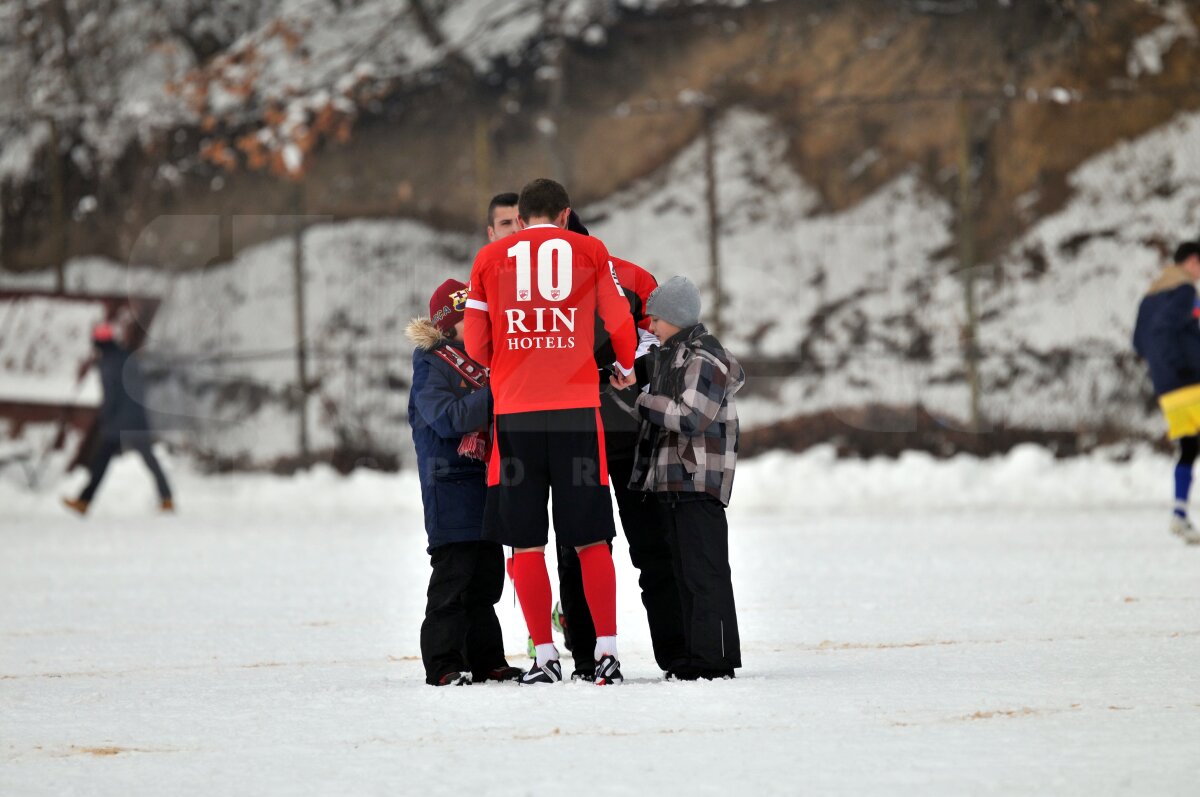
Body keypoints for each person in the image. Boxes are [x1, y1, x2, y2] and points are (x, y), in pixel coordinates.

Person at [464, 177, 637, 685]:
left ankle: (544, 655)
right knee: (591, 539)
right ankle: (606, 651)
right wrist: (625, 365)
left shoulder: (488, 259)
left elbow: (475, 344)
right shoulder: (590, 250)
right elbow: (619, 320)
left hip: (516, 413)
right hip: (576, 412)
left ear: (519, 220)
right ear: (565, 215)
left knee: (526, 544)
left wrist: (507, 365)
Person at [555, 210, 689, 680]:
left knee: (650, 547)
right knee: (581, 551)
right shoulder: (537, 292)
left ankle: (675, 654)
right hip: (578, 433)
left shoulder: (630, 278)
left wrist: (629, 367)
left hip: (626, 433)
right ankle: (589, 656)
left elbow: (664, 344)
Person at [608, 275, 745, 679]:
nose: (650, 326)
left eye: (655, 319)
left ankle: (714, 659)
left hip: (697, 480)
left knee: (705, 571)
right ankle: (694, 655)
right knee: (685, 573)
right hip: (674, 481)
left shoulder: (704, 358)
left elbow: (690, 416)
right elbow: (658, 408)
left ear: (676, 316)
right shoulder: (675, 355)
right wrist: (631, 391)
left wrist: (642, 399)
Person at [407, 279, 522, 685]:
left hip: (485, 484)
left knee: (486, 582)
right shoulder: (432, 364)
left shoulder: (486, 362)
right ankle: (442, 664)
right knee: (453, 581)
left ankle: (487, 659)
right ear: (447, 324)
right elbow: (447, 418)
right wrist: (496, 390)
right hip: (449, 486)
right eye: (470, 319)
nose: (479, 326)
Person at [62, 322, 174, 515]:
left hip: (118, 422)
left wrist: (105, 417)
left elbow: (111, 395)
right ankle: (166, 499)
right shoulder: (127, 356)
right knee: (148, 460)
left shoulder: (108, 363)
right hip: (137, 418)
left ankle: (84, 502)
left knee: (101, 461)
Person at [1133, 241, 1200, 545]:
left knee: (1189, 447)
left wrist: (1163, 367)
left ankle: (1179, 514)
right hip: (1190, 381)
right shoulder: (1184, 290)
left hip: (1167, 388)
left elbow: (1139, 342)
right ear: (1192, 261)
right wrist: (1182, 364)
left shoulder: (1150, 295)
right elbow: (1164, 330)